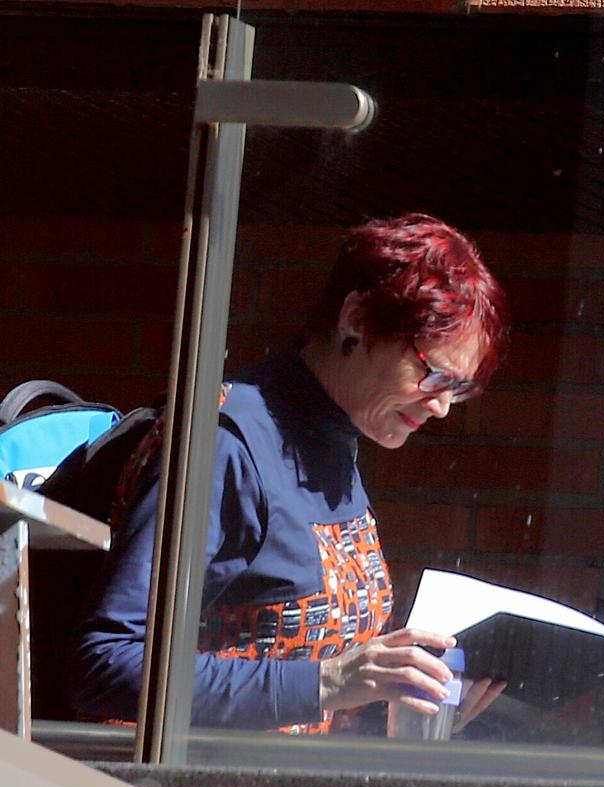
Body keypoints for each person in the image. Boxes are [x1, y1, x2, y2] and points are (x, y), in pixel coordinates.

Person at [66, 213, 509, 734]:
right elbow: (102, 663)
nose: (441, 408)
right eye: (432, 374)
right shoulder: (224, 445)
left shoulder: (336, 438)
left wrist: (403, 705)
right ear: (358, 319)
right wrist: (329, 683)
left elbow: (303, 689)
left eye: (458, 390)